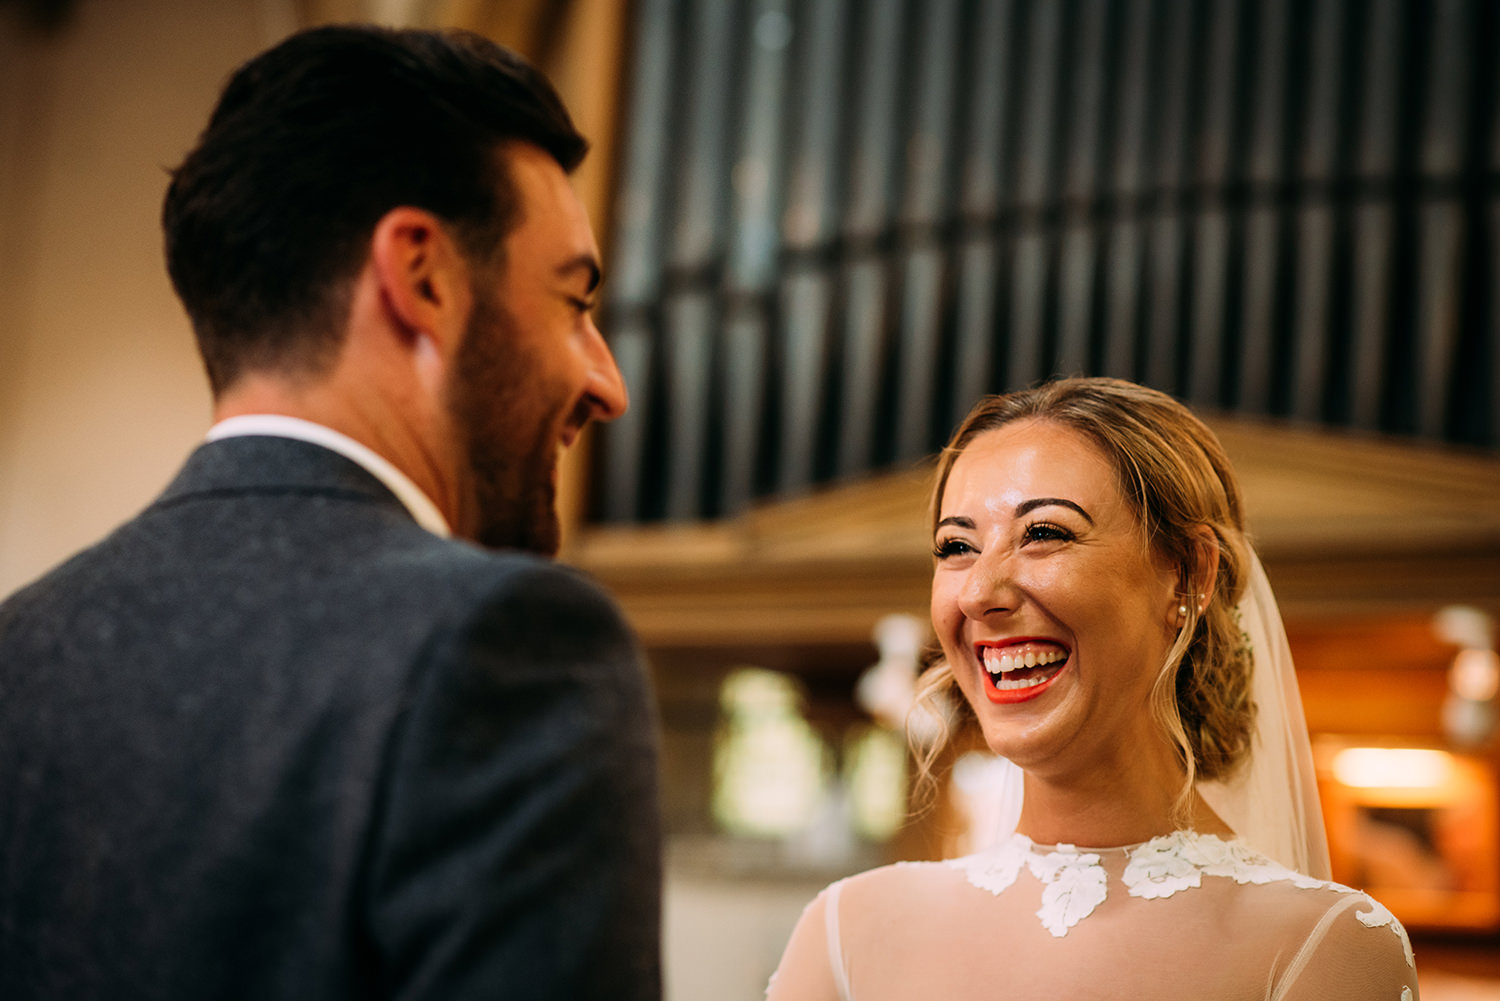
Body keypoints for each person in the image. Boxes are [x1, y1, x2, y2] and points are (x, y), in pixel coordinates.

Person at [0, 24, 660, 1000]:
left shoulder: (22, 645)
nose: (607, 384)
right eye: (573, 302)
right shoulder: (503, 644)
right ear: (423, 276)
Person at [768, 377, 1419, 1001]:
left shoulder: (1323, 946)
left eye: (1044, 533)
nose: (979, 593)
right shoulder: (846, 930)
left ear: (1186, 573)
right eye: (955, 545)